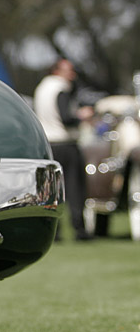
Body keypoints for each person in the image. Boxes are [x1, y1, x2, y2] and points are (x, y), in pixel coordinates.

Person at [34, 58, 94, 241]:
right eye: (69, 70)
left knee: (51, 190)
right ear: (57, 71)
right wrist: (83, 116)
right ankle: (80, 230)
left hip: (48, 144)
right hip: (65, 142)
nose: (72, 74)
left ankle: (54, 231)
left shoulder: (41, 88)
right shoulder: (61, 88)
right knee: (75, 189)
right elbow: (66, 117)